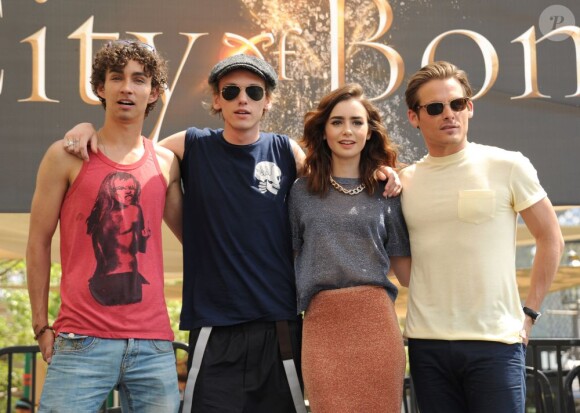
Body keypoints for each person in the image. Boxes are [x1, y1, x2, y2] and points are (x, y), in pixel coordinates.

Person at [61, 54, 401, 413]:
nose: (243, 99)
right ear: (217, 99)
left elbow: (334, 179)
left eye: (254, 91)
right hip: (214, 326)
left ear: (267, 101)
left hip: (278, 325)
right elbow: (133, 153)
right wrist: (87, 130)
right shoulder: (191, 145)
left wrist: (380, 170)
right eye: (232, 90)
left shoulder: (285, 150)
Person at [26, 40, 183, 412]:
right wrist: (40, 325)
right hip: (81, 339)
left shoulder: (165, 163)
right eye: (117, 78)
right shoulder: (66, 155)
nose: (127, 87)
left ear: (154, 92)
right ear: (101, 88)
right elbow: (37, 242)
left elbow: (200, 240)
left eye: (139, 79)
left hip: (153, 343)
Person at [399, 61, 564, 412]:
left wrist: (530, 313)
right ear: (414, 117)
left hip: (495, 344)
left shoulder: (508, 165)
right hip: (427, 346)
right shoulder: (404, 182)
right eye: (435, 107)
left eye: (457, 104)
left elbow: (551, 237)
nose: (449, 114)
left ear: (469, 107)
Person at [289, 83, 411, 412]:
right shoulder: (300, 192)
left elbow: (407, 272)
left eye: (357, 122)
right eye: (337, 121)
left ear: (370, 132)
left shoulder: (388, 190)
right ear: (323, 130)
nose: (348, 131)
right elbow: (288, 259)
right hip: (321, 325)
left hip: (376, 324)